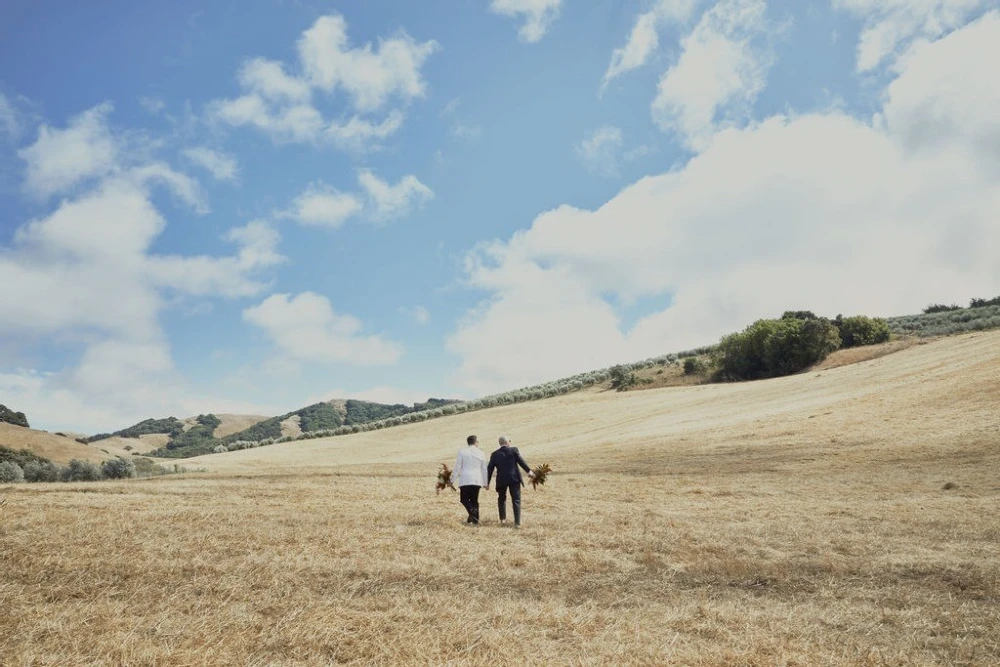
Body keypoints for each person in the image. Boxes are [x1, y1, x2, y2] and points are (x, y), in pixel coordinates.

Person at [486, 435, 533, 528]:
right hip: (514, 479)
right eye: (509, 441)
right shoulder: (514, 450)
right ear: (507, 442)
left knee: (501, 499)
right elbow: (521, 462)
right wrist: (529, 471)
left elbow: (489, 469)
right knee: (516, 499)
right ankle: (517, 523)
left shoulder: (494, 454)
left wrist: (487, 482)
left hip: (501, 479)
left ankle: (503, 520)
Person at [451, 434, 488, 525]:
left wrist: (452, 480)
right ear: (476, 442)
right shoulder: (481, 452)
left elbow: (457, 467)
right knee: (474, 500)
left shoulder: (462, 452)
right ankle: (475, 520)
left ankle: (472, 512)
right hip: (477, 479)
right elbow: (484, 469)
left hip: (465, 479)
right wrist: (486, 482)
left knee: (464, 499)